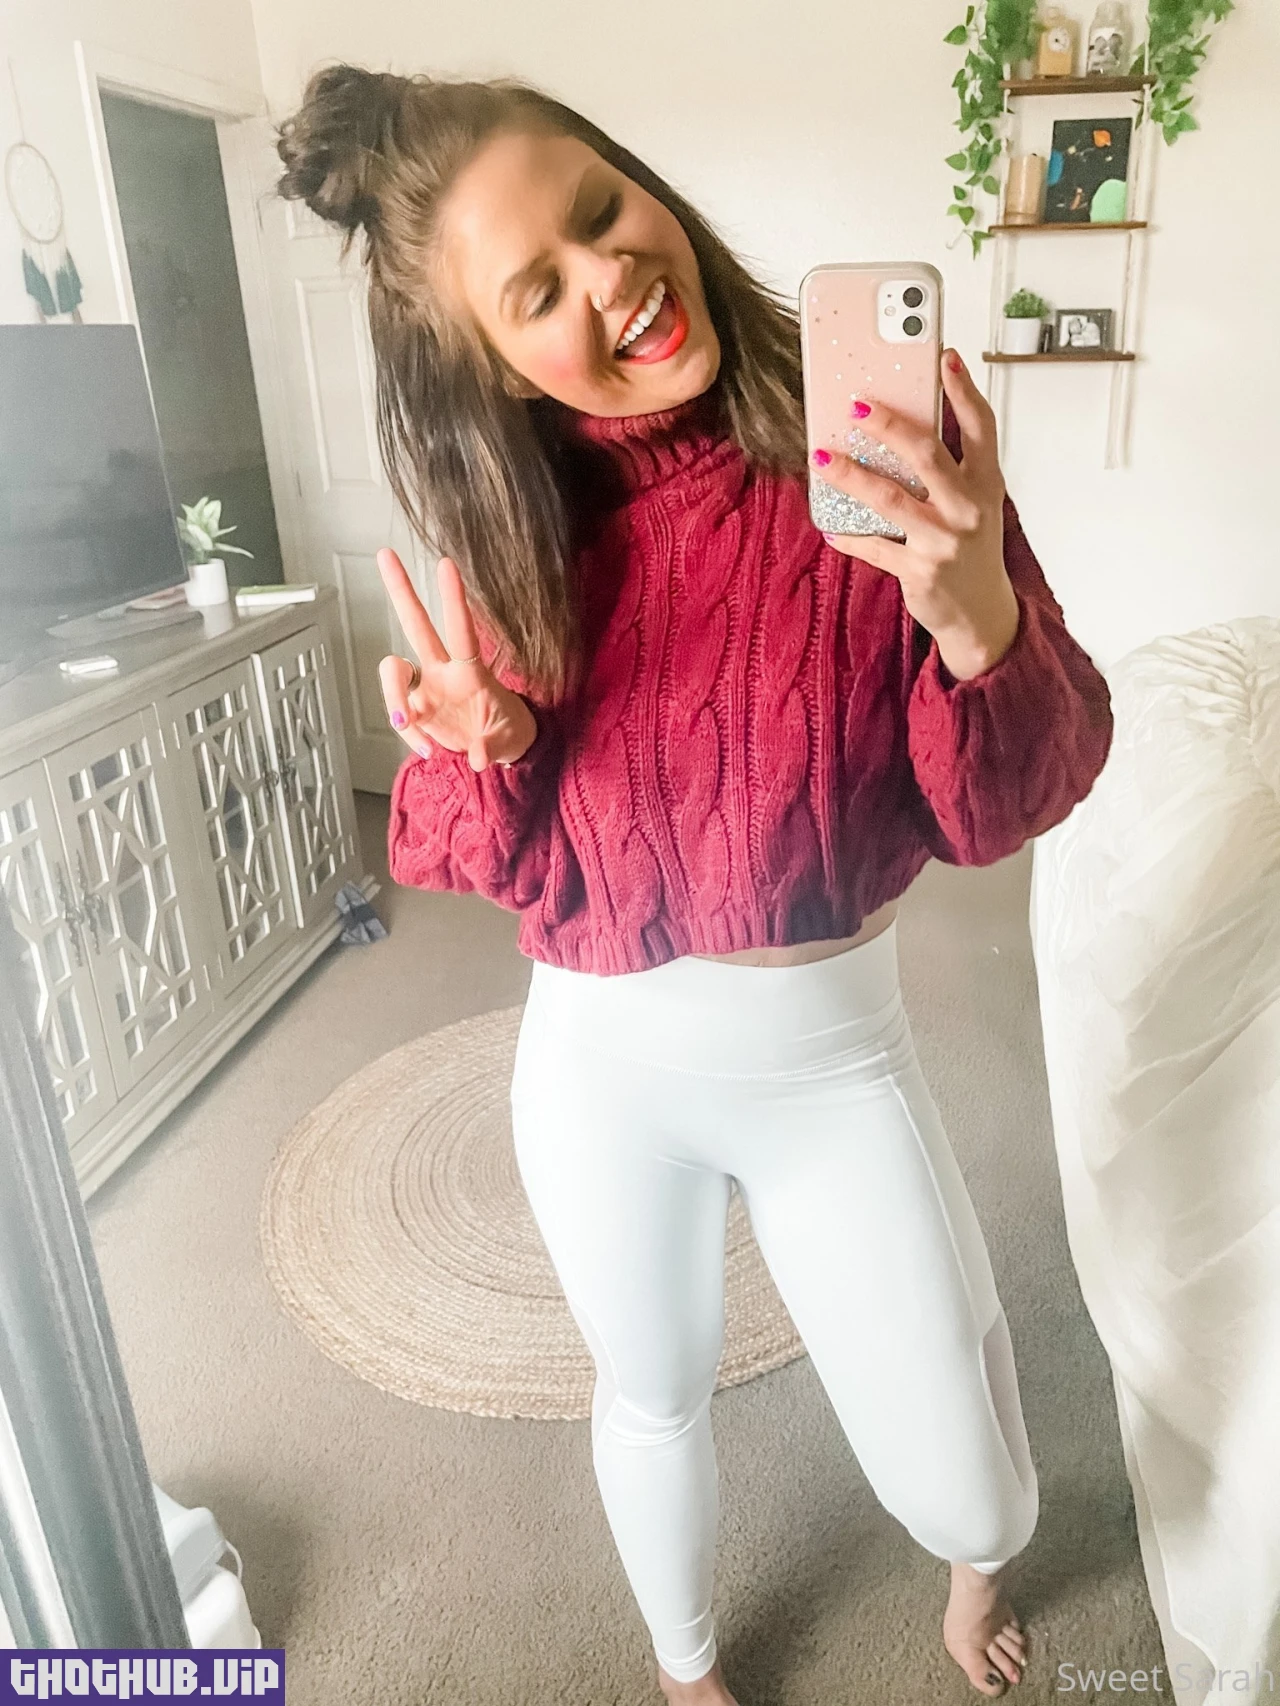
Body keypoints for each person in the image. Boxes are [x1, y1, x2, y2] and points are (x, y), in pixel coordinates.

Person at [276, 65, 1114, 1706]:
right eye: (539, 291)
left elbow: (1012, 801)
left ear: (644, 182)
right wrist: (489, 746)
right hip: (598, 1064)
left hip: (834, 1058)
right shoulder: (518, 537)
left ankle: (973, 1570)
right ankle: (685, 1670)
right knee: (648, 1391)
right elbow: (469, 855)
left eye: (604, 212)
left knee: (968, 1467)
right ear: (491, 362)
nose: (613, 278)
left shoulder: (871, 448)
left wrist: (973, 610)